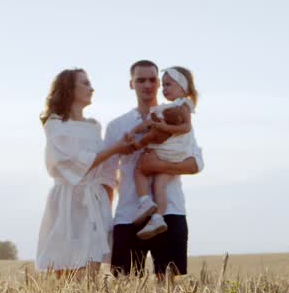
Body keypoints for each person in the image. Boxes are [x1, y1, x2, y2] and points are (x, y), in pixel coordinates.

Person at [101, 60, 203, 277]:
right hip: (129, 214)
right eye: (141, 80)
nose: (147, 85)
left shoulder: (177, 116)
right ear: (131, 84)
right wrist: (103, 220)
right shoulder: (117, 126)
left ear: (159, 83)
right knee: (124, 289)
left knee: (168, 290)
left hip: (170, 212)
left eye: (152, 80)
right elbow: (107, 176)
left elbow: (195, 164)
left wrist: (157, 165)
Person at [34, 68, 134, 275]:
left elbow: (104, 165)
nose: (92, 88)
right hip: (69, 202)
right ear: (70, 88)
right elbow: (72, 163)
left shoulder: (94, 126)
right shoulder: (55, 125)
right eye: (86, 83)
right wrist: (116, 148)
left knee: (91, 268)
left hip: (95, 202)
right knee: (66, 267)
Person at [129, 66, 199, 239]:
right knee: (159, 185)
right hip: (175, 155)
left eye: (168, 85)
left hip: (169, 152)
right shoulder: (169, 108)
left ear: (182, 87)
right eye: (164, 85)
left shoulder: (181, 106)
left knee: (140, 169)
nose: (164, 89)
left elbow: (186, 127)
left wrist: (163, 127)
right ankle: (158, 217)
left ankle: (145, 201)